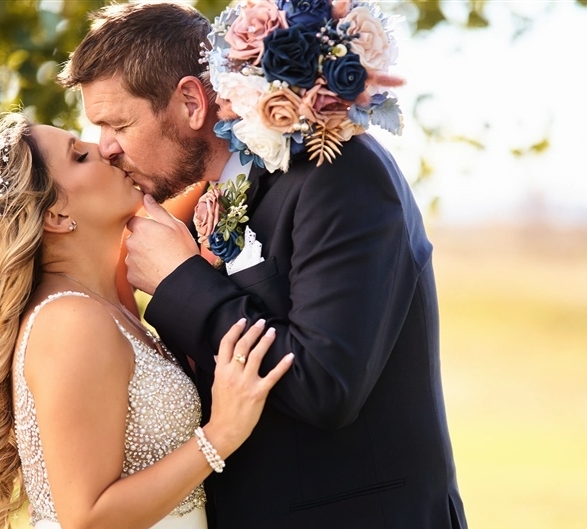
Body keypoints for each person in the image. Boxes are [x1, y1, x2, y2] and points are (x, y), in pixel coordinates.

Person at [58, 2, 467, 528]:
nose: (106, 148)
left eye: (118, 123)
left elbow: (326, 386)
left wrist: (180, 281)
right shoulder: (222, 191)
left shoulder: (338, 174)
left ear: (189, 101)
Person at [0, 112, 293, 529]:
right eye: (80, 156)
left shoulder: (110, 302)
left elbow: (188, 177)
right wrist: (221, 435)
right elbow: (87, 519)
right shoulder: (71, 322)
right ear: (55, 216)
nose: (104, 149)